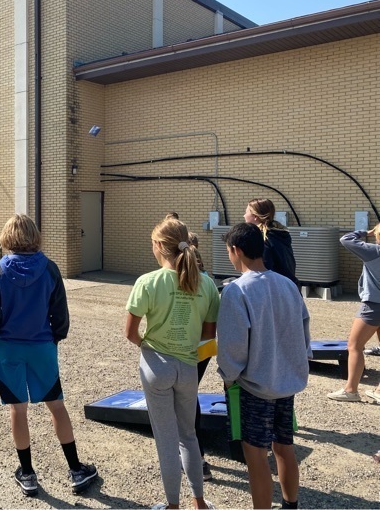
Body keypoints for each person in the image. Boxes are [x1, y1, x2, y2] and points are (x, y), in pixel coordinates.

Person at [0, 214, 97, 497]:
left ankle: (29, 474)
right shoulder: (50, 269)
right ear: (35, 235)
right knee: (56, 405)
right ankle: (75, 470)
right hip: (41, 345)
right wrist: (55, 336)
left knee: (17, 408)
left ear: (8, 237)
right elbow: (60, 312)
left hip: (7, 347)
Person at [125, 218, 218, 510]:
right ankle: (199, 502)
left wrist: (147, 347)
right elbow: (208, 334)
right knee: (188, 435)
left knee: (166, 440)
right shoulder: (207, 284)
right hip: (188, 366)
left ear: (158, 246)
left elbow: (130, 332)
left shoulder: (148, 282)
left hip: (156, 364)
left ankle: (172, 505)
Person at [217, 223, 311, 510]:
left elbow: (233, 346)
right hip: (287, 383)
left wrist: (228, 376)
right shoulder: (288, 285)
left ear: (237, 251)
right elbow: (304, 332)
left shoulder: (236, 290)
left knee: (255, 455)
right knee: (285, 447)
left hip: (255, 387)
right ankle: (290, 505)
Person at [328, 225, 380, 403]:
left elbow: (346, 239)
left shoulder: (375, 252)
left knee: (355, 346)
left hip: (373, 306)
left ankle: (351, 390)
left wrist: (365, 232)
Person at [188, 230, 213, 481]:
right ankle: (198, 458)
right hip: (204, 349)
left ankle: (197, 459)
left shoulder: (175, 279)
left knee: (185, 402)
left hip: (186, 350)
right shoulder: (208, 281)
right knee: (190, 395)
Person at [244, 198, 298, 286]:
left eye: (246, 212)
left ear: (255, 216)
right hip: (290, 286)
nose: (244, 216)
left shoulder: (261, 238)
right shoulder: (280, 234)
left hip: (274, 289)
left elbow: (263, 271)